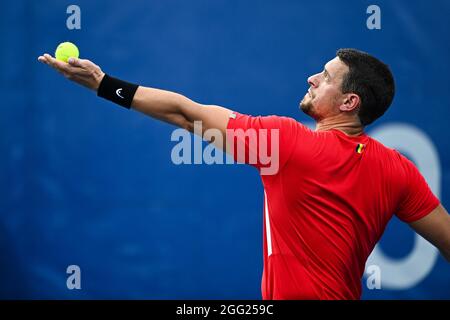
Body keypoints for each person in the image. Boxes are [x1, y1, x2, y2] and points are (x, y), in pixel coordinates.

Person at [38, 48, 450, 300]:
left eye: (325, 77)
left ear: (349, 102)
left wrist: (103, 84)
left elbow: (186, 114)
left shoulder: (290, 145)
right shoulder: (399, 170)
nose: (312, 78)